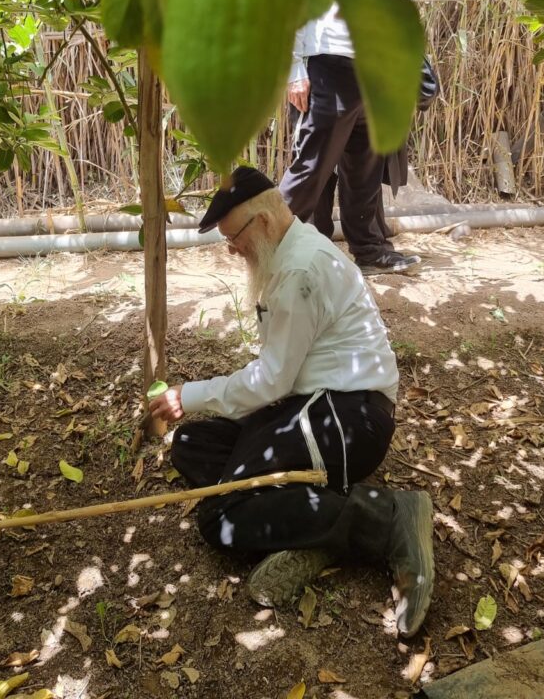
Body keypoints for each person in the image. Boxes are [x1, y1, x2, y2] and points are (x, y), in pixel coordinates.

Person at [149, 166, 434, 638]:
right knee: (192, 445)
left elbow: (270, 381)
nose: (231, 249)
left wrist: (189, 394)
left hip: (348, 418)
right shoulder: (290, 254)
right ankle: (307, 520)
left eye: (233, 237)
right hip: (315, 405)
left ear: (262, 221)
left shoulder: (300, 269)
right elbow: (277, 378)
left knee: (220, 517)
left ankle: (385, 519)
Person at [280, 0, 435, 275]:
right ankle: (271, 245)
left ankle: (369, 251)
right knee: (312, 167)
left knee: (365, 168)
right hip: (329, 62)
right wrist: (294, 70)